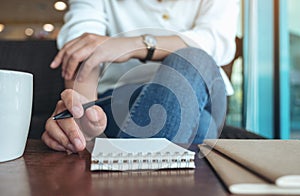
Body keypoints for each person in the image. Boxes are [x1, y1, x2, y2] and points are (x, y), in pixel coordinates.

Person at [42, 0, 239, 153]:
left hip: (202, 93)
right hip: (119, 100)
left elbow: (215, 41)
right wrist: (83, 115)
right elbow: (83, 46)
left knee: (193, 57)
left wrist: (135, 45)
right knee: (202, 127)